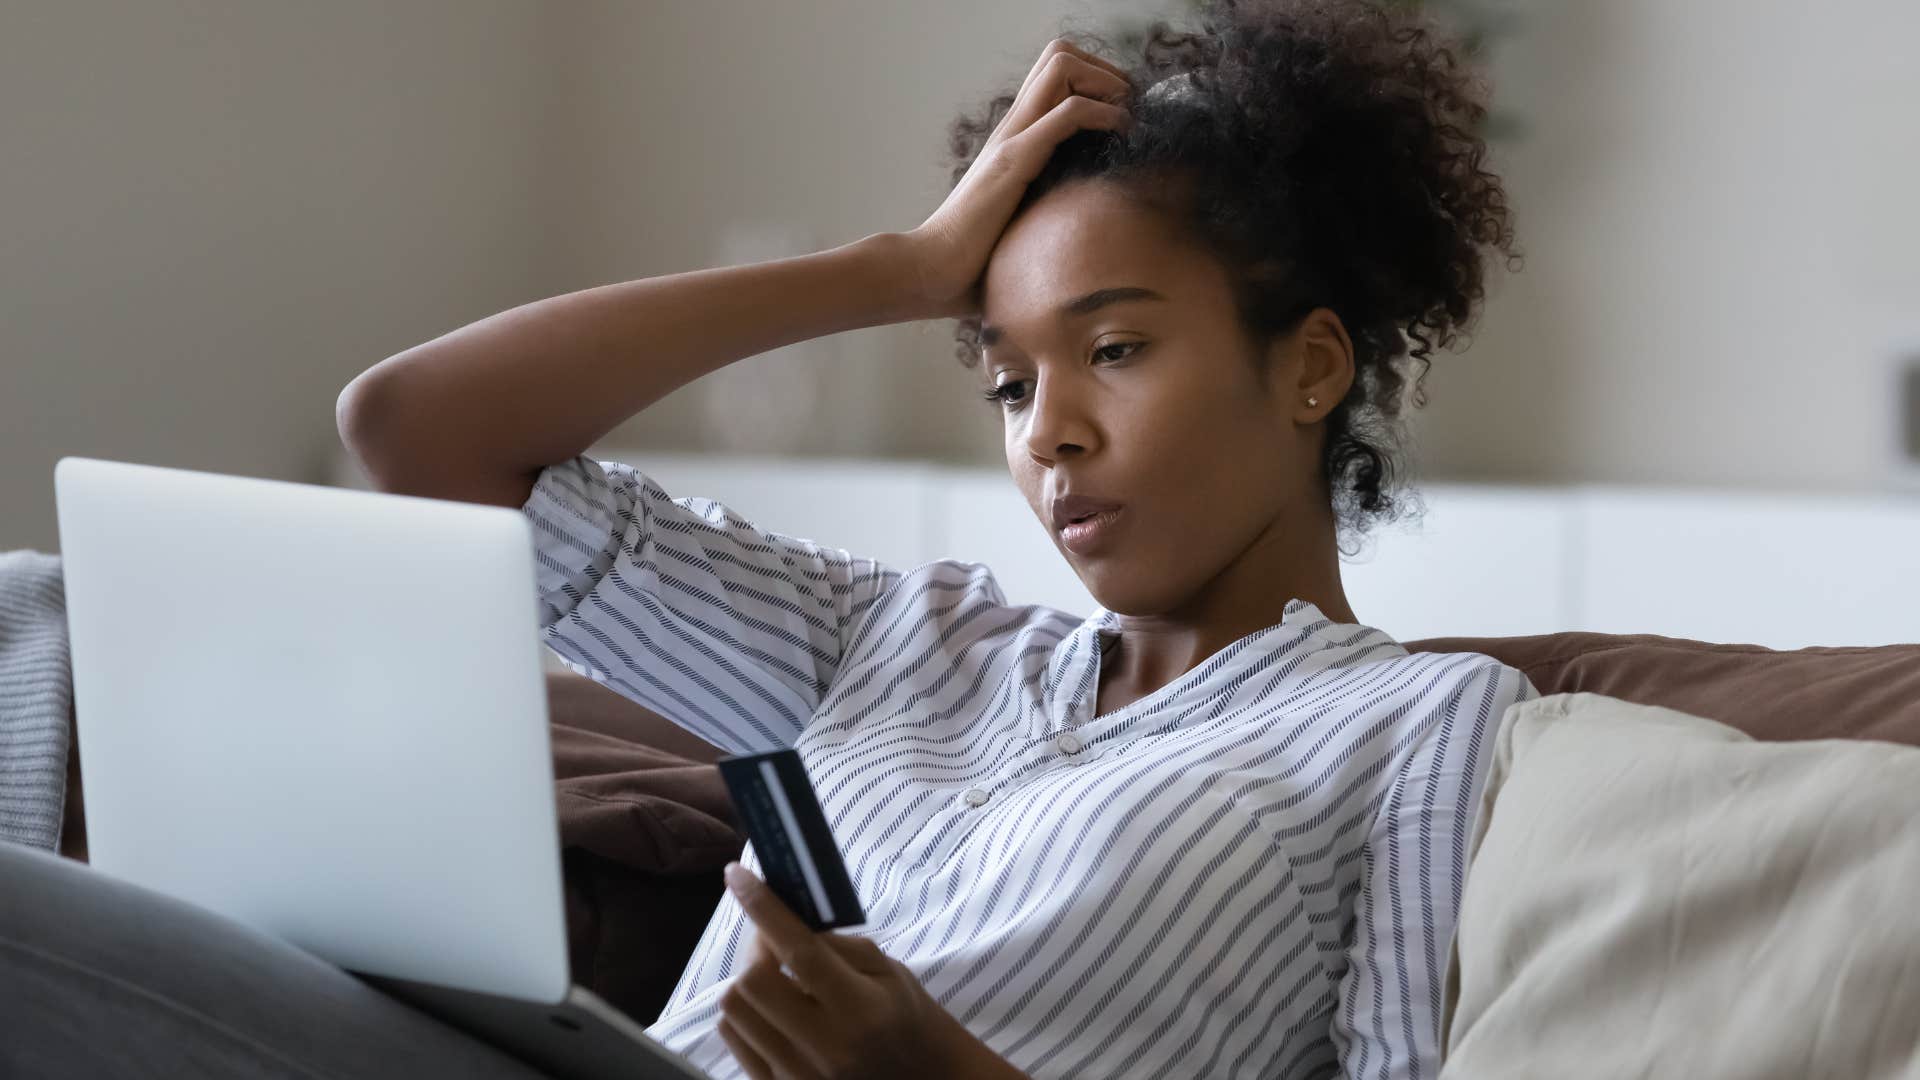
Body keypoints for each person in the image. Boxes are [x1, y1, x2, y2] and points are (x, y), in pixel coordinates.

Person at [337, 1, 1534, 1076]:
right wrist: (902, 269)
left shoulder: (1416, 722)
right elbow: (418, 432)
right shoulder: (899, 640)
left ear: (1313, 366)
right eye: (1010, 385)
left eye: (1114, 351)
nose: (1049, 434)